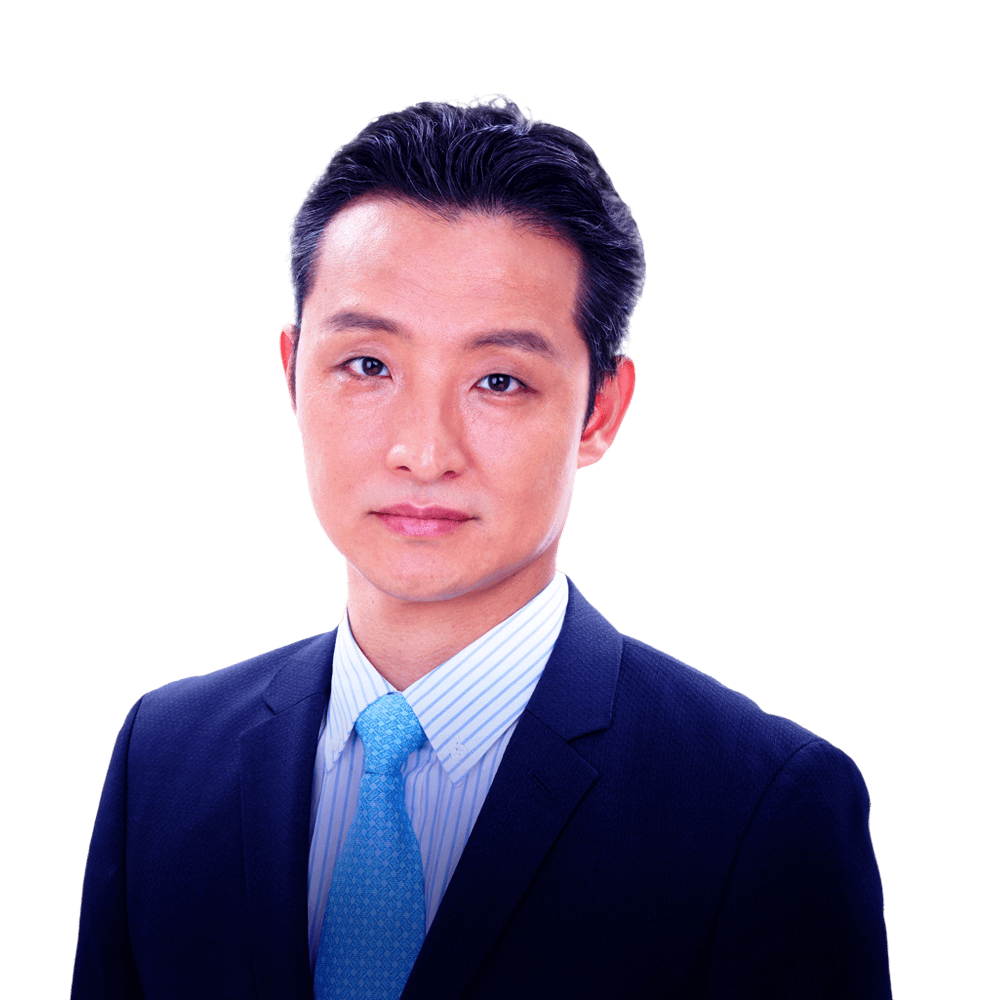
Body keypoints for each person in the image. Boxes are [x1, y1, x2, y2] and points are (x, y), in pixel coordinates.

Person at [71, 96, 891, 999]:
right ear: (293, 375)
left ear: (601, 412)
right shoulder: (165, 756)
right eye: (369, 365)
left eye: (499, 380)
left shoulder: (762, 804)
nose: (424, 452)